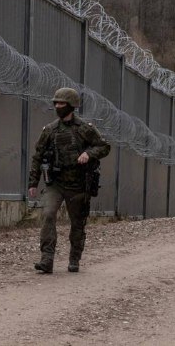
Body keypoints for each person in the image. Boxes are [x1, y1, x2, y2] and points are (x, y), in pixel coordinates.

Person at [28, 87, 111, 274]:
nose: (58, 106)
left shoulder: (84, 129)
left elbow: (104, 147)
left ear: (71, 105)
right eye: (56, 103)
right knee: (48, 214)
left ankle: (74, 258)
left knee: (77, 223)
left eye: (62, 103)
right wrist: (33, 182)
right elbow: (38, 157)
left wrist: (88, 153)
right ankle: (47, 259)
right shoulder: (50, 130)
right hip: (55, 183)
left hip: (78, 184)